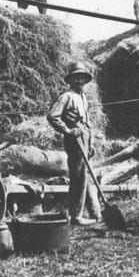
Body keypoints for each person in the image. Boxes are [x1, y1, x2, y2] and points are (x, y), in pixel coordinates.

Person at [47, 63, 101, 226]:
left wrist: (91, 142)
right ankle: (75, 216)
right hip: (74, 140)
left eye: (82, 77)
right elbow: (52, 116)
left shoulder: (83, 97)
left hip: (85, 138)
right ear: (70, 80)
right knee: (78, 177)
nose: (80, 80)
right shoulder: (66, 97)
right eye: (76, 77)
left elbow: (87, 122)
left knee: (88, 174)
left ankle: (94, 211)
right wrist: (68, 131)